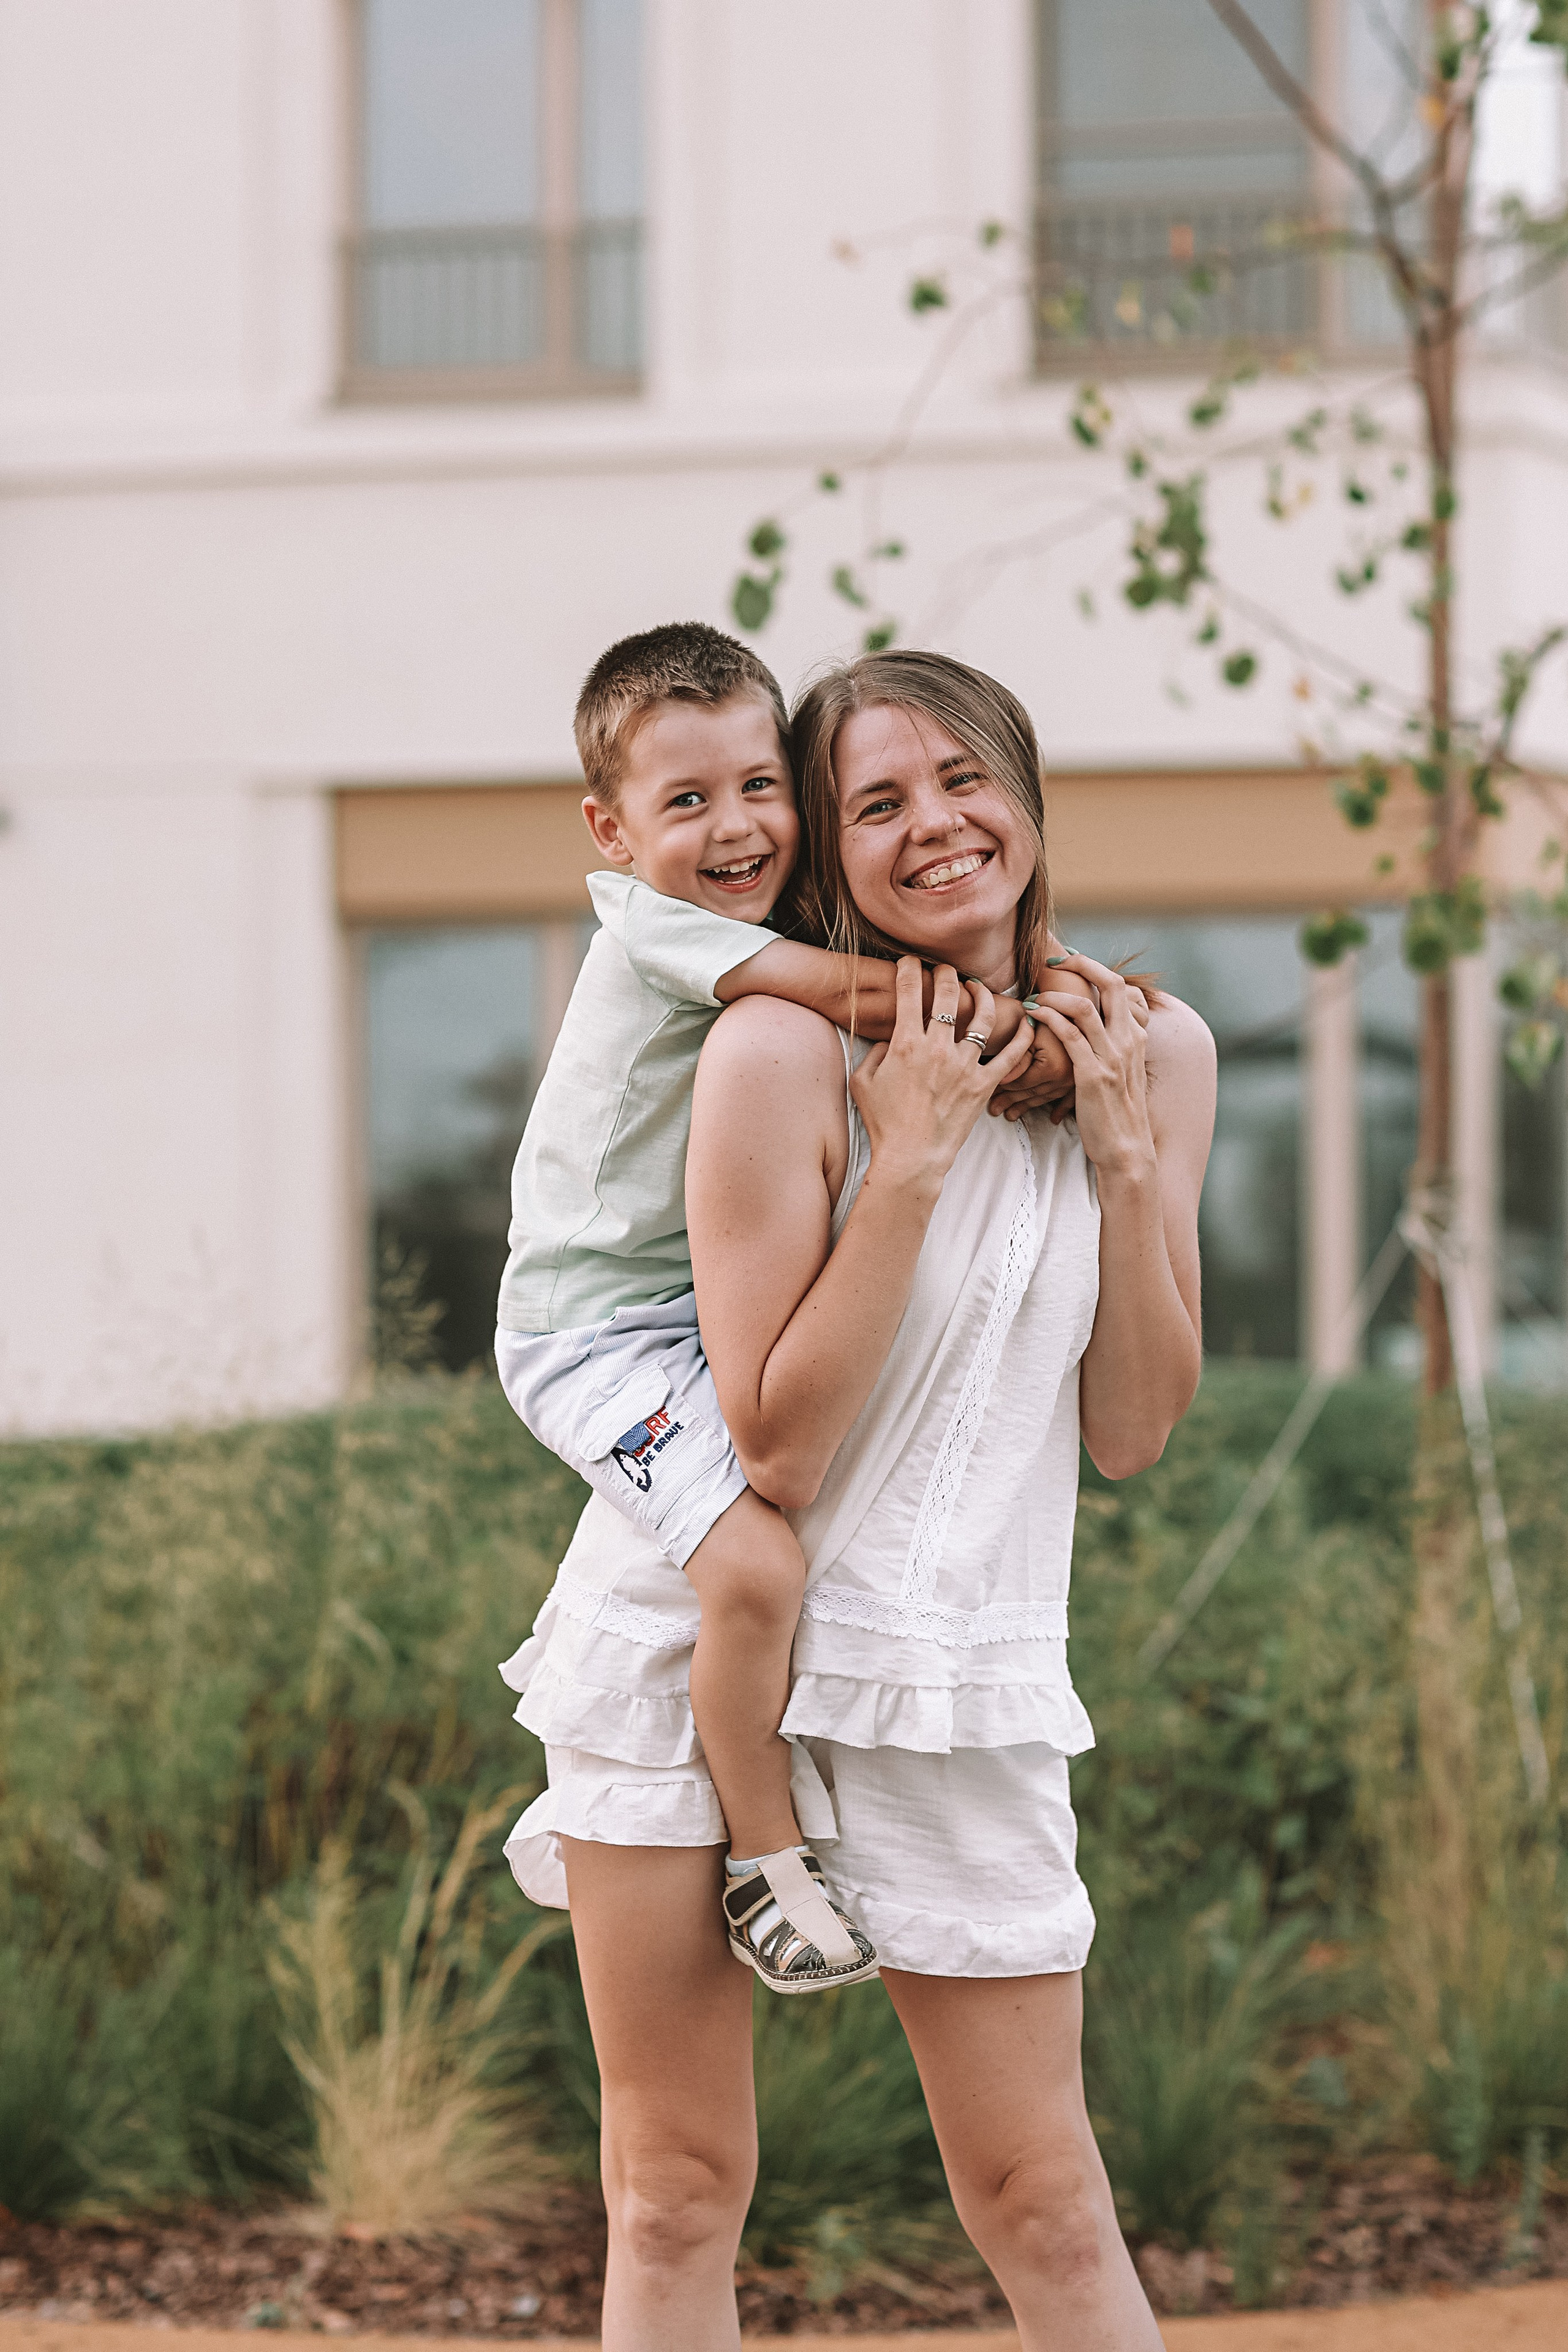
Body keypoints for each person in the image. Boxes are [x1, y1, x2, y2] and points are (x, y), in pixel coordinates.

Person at [500, 644, 1216, 2350]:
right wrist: (910, 1161)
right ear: (830, 850)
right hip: (691, 1647)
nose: (936, 826)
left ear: (1026, 790)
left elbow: (1130, 1428)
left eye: (963, 778)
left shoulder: (1153, 1049)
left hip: (955, 1674)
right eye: (875, 803)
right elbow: (782, 1453)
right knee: (672, 2189)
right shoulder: (768, 1050)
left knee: (1044, 2200)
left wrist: (1120, 1162)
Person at [496, 623, 1082, 1992]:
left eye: (761, 786)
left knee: (765, 1544)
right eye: (685, 801)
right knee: (753, 1567)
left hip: (671, 1318)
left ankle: (770, 1833)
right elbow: (852, 991)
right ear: (610, 828)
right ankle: (767, 1859)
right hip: (590, 1336)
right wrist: (1033, 1032)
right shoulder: (662, 930)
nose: (735, 826)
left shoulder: (746, 928)